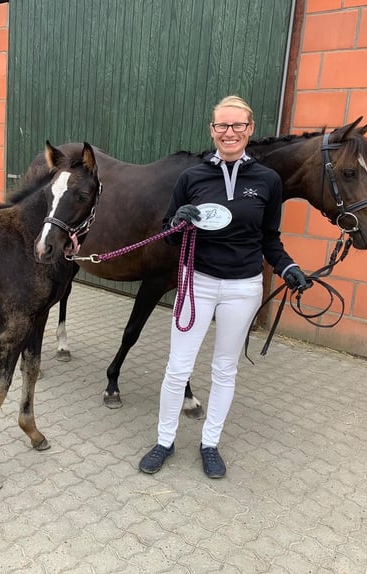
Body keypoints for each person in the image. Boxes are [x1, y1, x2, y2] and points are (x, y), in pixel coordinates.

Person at [138, 95, 310, 479]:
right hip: (196, 283)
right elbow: (169, 234)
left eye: (237, 126)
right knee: (177, 368)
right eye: (221, 126)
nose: (229, 133)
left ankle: (209, 443)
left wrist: (288, 267)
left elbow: (270, 239)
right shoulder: (192, 178)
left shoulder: (267, 181)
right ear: (212, 130)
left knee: (224, 369)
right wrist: (176, 222)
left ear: (249, 129)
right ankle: (165, 440)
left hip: (243, 288)